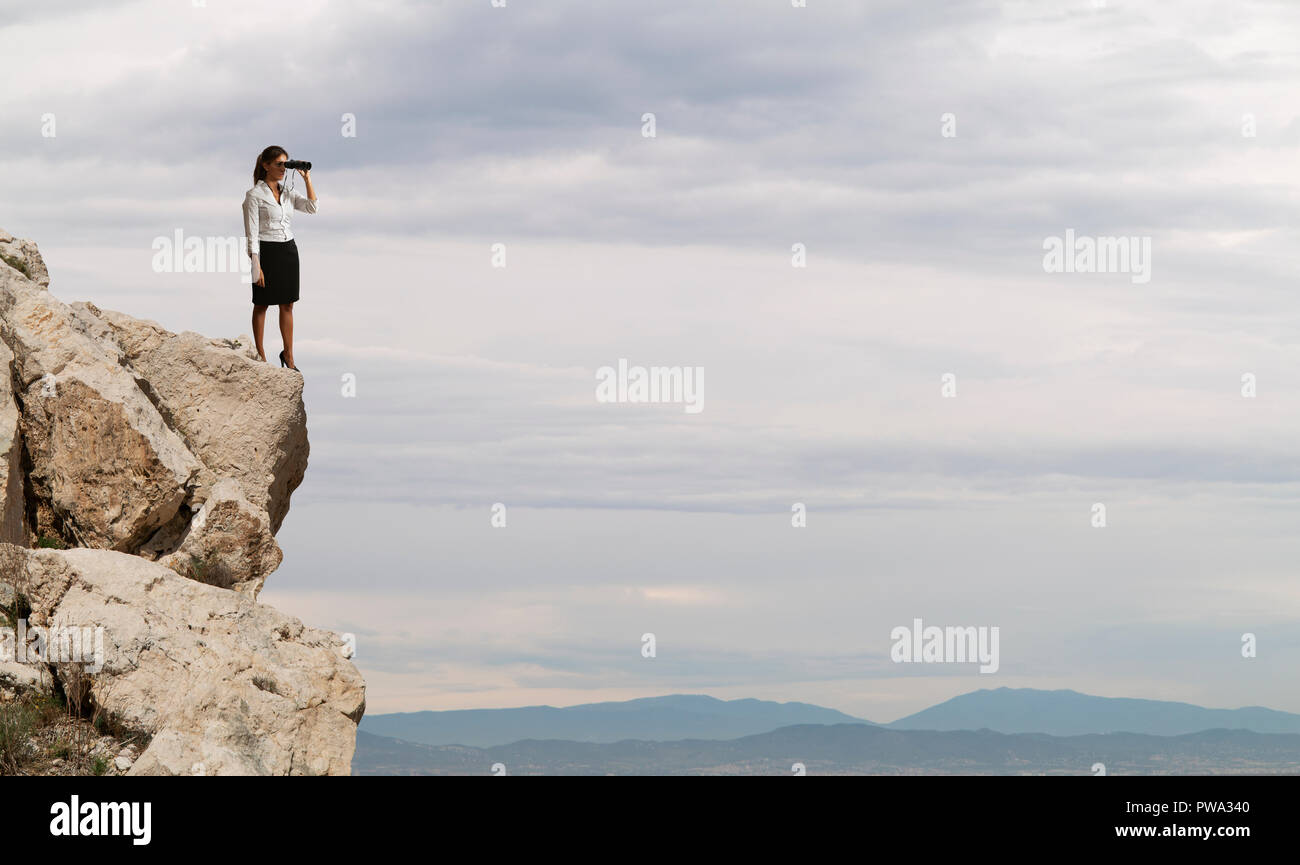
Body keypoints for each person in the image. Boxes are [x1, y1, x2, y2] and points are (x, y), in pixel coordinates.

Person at [243, 145, 317, 373]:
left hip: (288, 251)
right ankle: (261, 354)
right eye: (279, 164)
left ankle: (289, 355)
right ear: (266, 166)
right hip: (266, 251)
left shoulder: (287, 192)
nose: (284, 168)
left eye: (286, 164)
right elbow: (251, 232)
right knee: (262, 304)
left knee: (287, 304)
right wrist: (256, 264)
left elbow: (312, 207)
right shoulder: (254, 195)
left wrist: (307, 179)